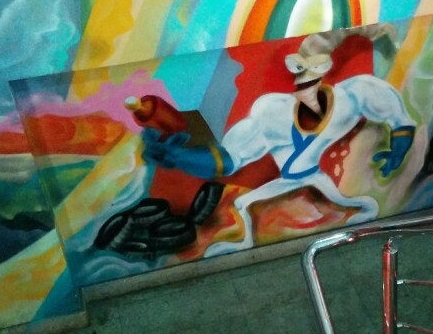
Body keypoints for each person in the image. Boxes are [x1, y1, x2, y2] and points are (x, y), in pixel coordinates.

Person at [142, 24, 418, 256]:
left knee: (363, 208)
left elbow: (398, 117)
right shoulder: (274, 114)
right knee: (246, 208)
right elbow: (228, 160)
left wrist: (398, 148)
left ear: (324, 71)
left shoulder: (350, 99)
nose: (304, 85)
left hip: (317, 183)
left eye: (312, 73)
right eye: (300, 75)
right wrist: (179, 158)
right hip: (287, 184)